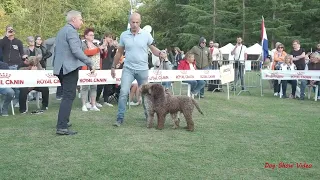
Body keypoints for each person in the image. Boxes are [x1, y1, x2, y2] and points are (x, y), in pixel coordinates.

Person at [111, 12, 166, 127]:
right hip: (128, 69)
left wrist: (160, 53)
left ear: (140, 22)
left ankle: (148, 117)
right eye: (133, 22)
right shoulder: (124, 35)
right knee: (123, 92)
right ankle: (120, 118)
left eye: (137, 22)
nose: (135, 24)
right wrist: (113, 66)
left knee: (147, 95)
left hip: (142, 69)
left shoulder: (146, 35)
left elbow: (153, 48)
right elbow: (119, 52)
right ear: (129, 22)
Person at [53, 10, 95, 135]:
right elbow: (76, 51)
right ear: (73, 20)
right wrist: (89, 62)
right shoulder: (71, 31)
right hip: (68, 68)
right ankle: (62, 127)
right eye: (80, 19)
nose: (82, 22)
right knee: (68, 96)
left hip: (60, 68)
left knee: (67, 96)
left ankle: (63, 121)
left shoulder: (62, 31)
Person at [0, 25, 28, 107]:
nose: (10, 31)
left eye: (11, 30)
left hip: (15, 65)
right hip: (5, 66)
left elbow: (22, 52)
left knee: (16, 85)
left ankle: (15, 101)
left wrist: (24, 58)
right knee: (7, 85)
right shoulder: (3, 41)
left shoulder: (18, 42)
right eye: (8, 30)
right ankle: (6, 102)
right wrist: (6, 36)